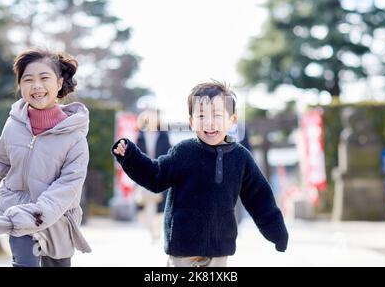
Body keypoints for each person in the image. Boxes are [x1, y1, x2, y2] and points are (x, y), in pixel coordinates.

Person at [112, 81, 288, 267]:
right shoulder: (183, 152)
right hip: (183, 245)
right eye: (201, 116)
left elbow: (260, 198)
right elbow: (155, 175)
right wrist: (130, 156)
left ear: (232, 120)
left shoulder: (241, 157)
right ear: (191, 121)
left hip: (220, 247)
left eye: (217, 115)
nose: (209, 122)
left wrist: (277, 232)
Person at [0, 47, 91, 267]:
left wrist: (35, 213)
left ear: (59, 83)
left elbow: (67, 187)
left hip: (57, 223)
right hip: (18, 219)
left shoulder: (75, 137)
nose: (36, 86)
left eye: (44, 78)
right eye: (28, 79)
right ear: (20, 85)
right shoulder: (14, 124)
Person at [135, 108, 172, 242]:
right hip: (144, 172)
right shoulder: (140, 134)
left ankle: (156, 231)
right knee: (144, 203)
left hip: (159, 171)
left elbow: (169, 153)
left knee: (159, 204)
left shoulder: (164, 134)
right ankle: (149, 229)